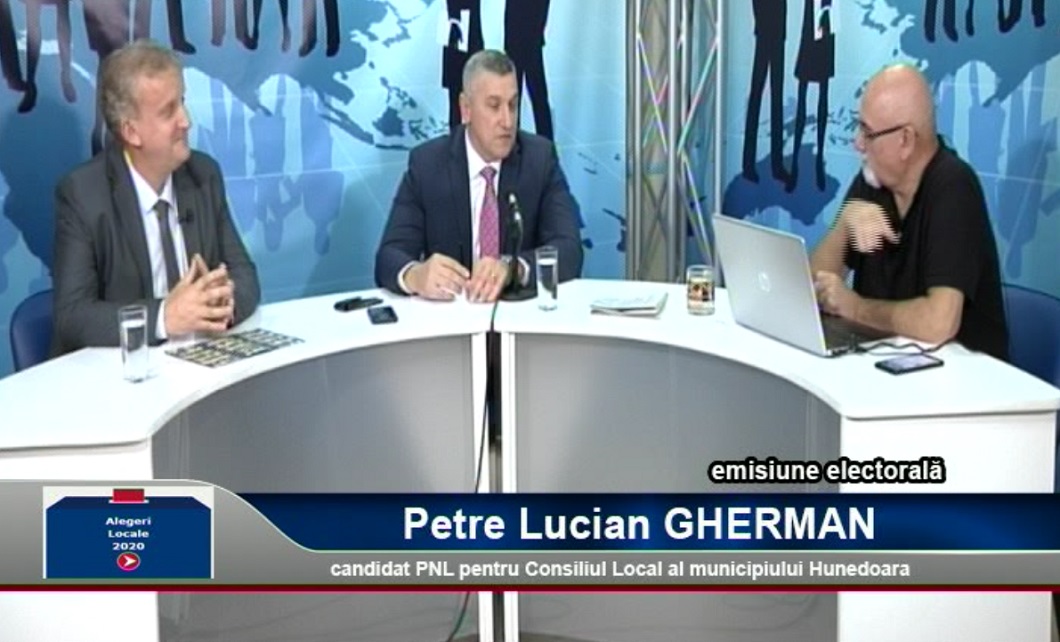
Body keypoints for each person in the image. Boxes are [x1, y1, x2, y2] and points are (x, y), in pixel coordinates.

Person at [52, 39, 260, 356]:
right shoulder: (83, 194)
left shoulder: (203, 175)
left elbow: (244, 275)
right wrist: (165, 317)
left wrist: (218, 306)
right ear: (131, 132)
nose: (186, 120)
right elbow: (73, 316)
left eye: (182, 102)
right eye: (168, 111)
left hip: (195, 363)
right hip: (120, 372)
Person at [810, 64, 1008, 360]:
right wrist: (845, 223)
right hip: (884, 360)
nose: (858, 143)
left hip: (957, 375)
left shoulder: (954, 186)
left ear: (905, 140)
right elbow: (810, 287)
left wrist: (856, 308)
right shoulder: (873, 181)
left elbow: (938, 323)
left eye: (867, 132)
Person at [375, 49, 582, 304]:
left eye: (513, 105)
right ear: (466, 109)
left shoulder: (539, 160)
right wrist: (416, 275)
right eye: (494, 106)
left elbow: (569, 250)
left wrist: (513, 268)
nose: (507, 121)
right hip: (451, 319)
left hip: (518, 318)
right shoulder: (428, 165)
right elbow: (389, 256)